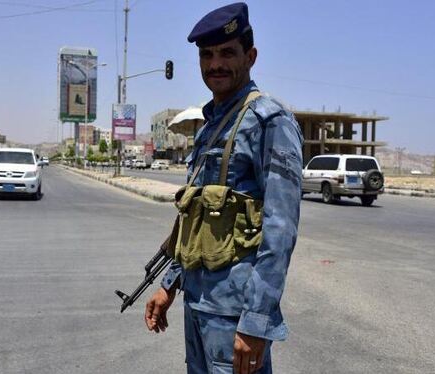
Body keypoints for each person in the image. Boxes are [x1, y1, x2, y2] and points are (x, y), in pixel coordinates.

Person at [144, 3, 303, 374]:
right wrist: (169, 284)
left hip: (235, 313)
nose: (215, 64)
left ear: (250, 56)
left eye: (227, 53)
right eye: (207, 55)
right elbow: (196, 223)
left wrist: (256, 322)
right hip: (199, 304)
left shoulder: (269, 122)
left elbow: (280, 232)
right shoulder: (210, 125)